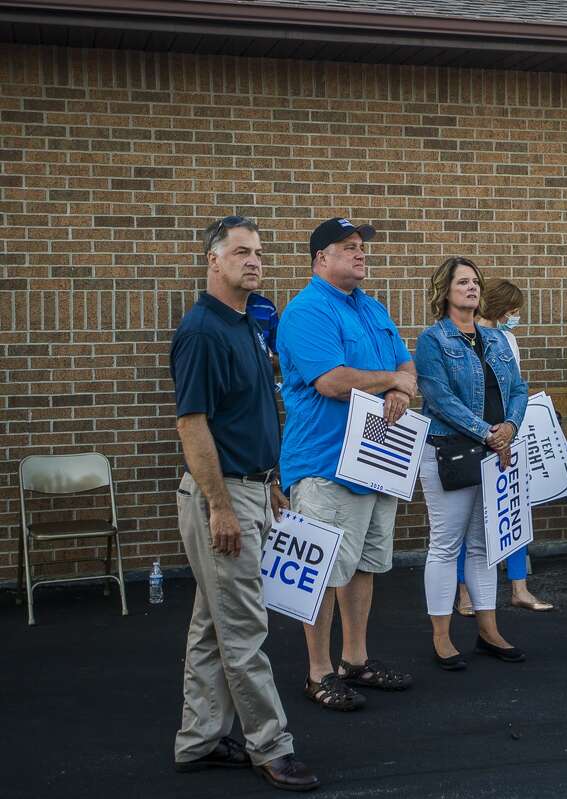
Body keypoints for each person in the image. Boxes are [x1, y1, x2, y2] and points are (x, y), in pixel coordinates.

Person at [170, 215, 318, 792]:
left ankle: (198, 740)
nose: (254, 261)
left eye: (258, 252)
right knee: (244, 629)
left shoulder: (245, 325)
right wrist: (221, 505)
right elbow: (192, 423)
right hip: (223, 497)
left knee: (213, 627)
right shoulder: (204, 330)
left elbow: (245, 415)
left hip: (251, 486)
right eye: (240, 252)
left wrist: (268, 480)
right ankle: (271, 745)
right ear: (213, 261)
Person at [276, 218, 417, 712]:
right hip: (323, 464)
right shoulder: (306, 311)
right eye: (348, 247)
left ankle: (354, 660)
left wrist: (400, 385)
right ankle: (318, 673)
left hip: (377, 458)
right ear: (321, 258)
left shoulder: (373, 308)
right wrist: (392, 382)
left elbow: (407, 366)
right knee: (320, 572)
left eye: (361, 247)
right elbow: (332, 382)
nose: (359, 255)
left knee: (363, 567)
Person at [416, 256, 530, 670]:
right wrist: (488, 432)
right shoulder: (433, 340)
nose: (472, 288)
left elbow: (519, 387)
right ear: (444, 290)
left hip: (496, 452)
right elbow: (439, 398)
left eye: (475, 282)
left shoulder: (497, 339)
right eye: (463, 282)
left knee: (485, 546)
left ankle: (489, 630)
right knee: (446, 546)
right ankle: (442, 638)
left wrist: (511, 427)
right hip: (450, 450)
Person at [453, 278, 553, 614]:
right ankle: (464, 594)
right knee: (468, 519)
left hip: (507, 434)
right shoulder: (459, 337)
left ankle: (519, 587)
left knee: (513, 510)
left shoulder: (507, 339)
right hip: (472, 436)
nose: (516, 316)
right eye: (512, 310)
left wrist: (511, 425)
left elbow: (515, 387)